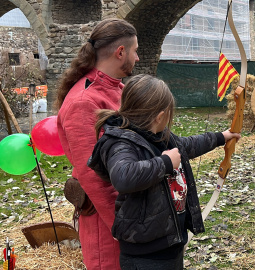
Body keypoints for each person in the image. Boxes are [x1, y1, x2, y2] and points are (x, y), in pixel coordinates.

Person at [86, 74, 241, 269]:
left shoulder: (160, 136)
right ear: (160, 116)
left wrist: (222, 137)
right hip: (145, 255)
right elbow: (123, 176)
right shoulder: (120, 142)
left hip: (170, 243)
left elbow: (188, 145)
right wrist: (166, 162)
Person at [55, 18, 139, 270]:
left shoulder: (119, 89)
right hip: (109, 218)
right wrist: (122, 224)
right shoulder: (84, 101)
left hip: (132, 205)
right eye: (135, 51)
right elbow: (92, 174)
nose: (137, 58)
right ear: (120, 52)